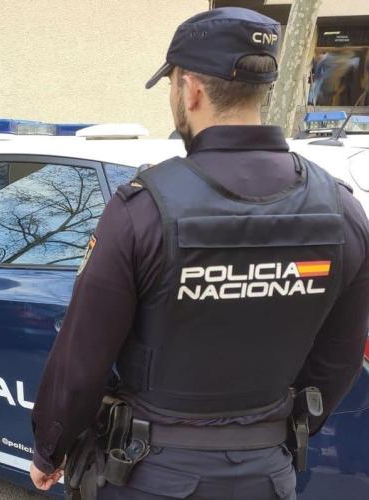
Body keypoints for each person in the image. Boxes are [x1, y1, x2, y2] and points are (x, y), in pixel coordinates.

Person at [30, 7, 369, 500]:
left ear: (189, 89)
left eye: (171, 85)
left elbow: (81, 360)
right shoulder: (341, 211)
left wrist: (50, 450)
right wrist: (272, 433)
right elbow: (339, 359)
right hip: (267, 476)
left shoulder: (143, 211)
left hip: (147, 475)